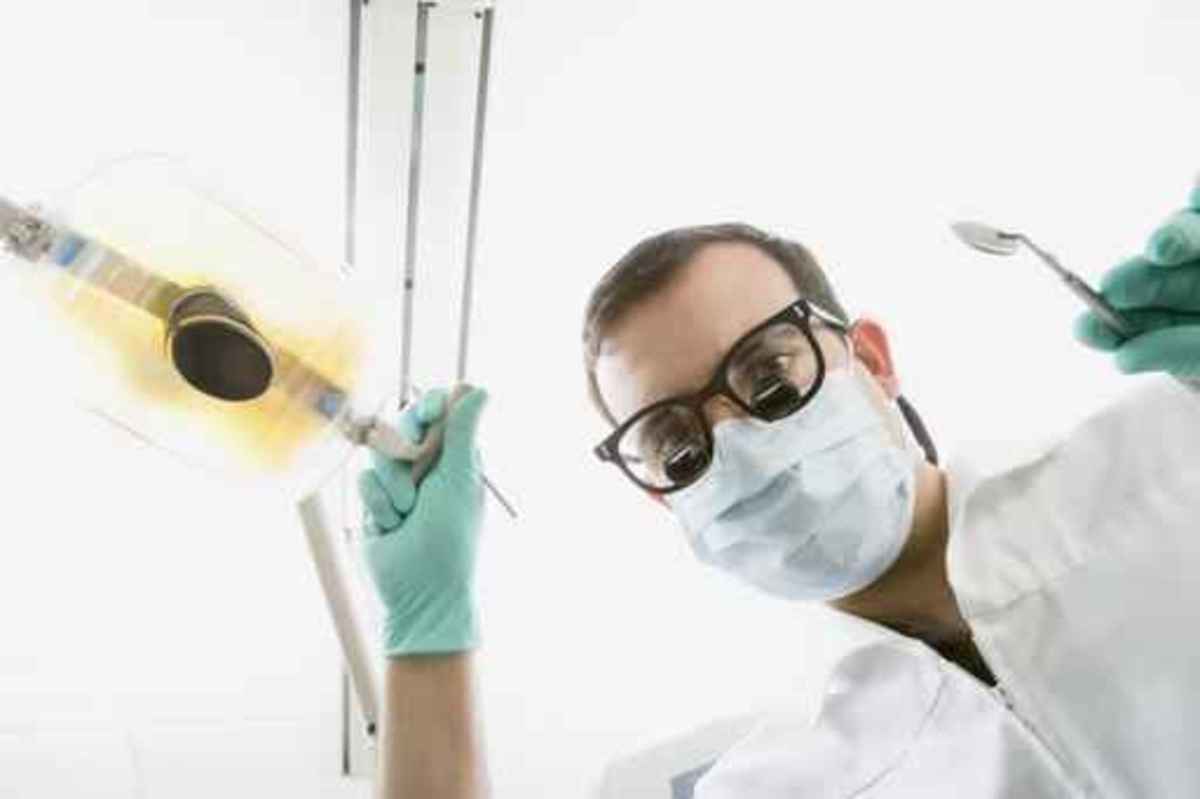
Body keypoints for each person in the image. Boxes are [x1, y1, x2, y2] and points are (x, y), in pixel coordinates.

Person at [354, 181, 1200, 798]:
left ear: (870, 361)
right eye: (679, 444)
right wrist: (428, 638)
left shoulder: (1170, 453)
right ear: (665, 497)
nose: (741, 445)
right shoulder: (778, 782)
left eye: (767, 376)